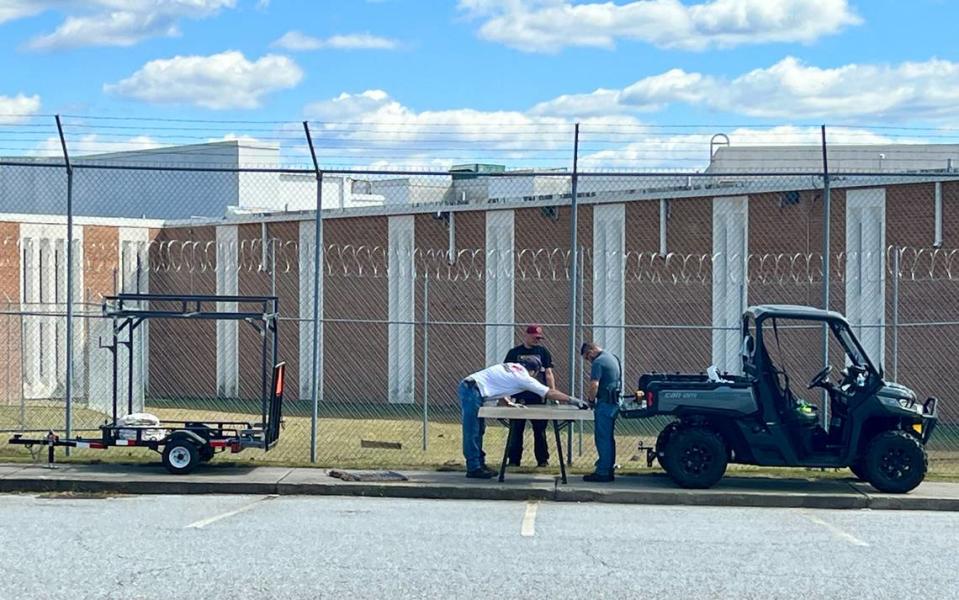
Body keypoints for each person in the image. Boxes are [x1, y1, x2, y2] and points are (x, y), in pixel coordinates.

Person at [459, 355, 583, 479]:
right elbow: (548, 392)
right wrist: (572, 400)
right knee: (473, 431)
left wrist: (508, 403)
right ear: (533, 371)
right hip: (472, 391)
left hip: (471, 387)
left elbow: (498, 383)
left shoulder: (509, 367)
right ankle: (474, 468)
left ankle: (479, 464)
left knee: (478, 430)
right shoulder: (523, 377)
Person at [505, 325, 554, 467]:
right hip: (519, 397)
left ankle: (542, 460)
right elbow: (507, 375)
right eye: (534, 337)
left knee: (539, 431)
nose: (537, 340)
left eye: (539, 338)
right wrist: (507, 395)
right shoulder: (514, 353)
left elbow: (549, 374)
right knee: (516, 430)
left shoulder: (543, 352)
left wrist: (551, 393)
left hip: (538, 397)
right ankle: (513, 460)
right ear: (526, 335)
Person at [580, 342, 622, 483]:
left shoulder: (598, 362)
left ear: (591, 351)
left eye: (587, 357)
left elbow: (594, 384)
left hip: (605, 403)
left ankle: (603, 471)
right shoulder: (613, 357)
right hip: (615, 401)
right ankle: (609, 467)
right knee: (609, 438)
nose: (588, 360)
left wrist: (591, 400)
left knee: (602, 438)